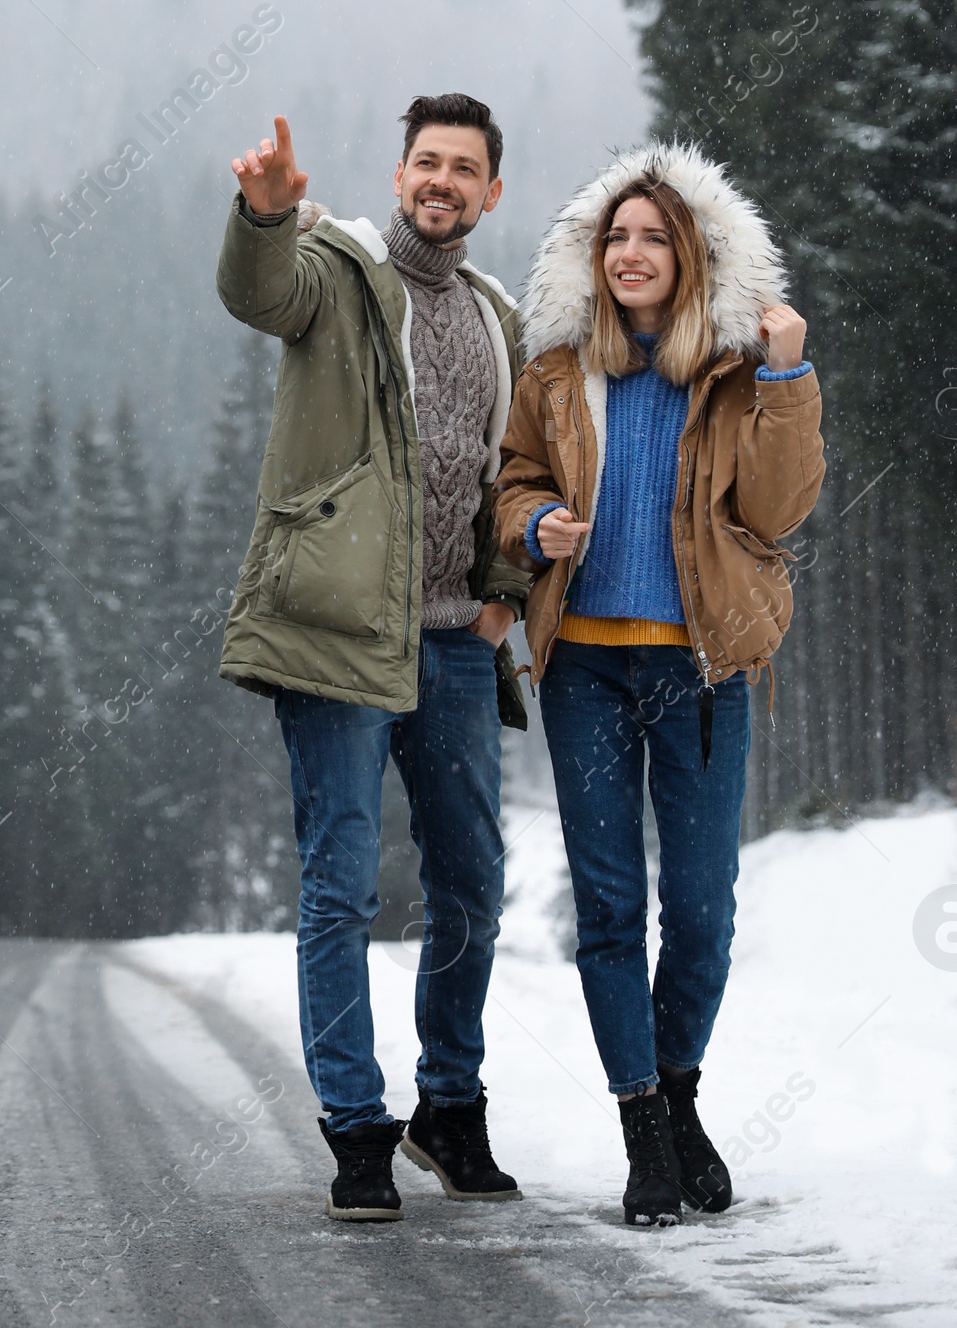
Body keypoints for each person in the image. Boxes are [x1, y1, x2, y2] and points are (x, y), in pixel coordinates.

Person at [495, 143, 824, 1227]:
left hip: (701, 668)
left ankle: (678, 1098)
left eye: (653, 238)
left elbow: (776, 515)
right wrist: (533, 524)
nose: (631, 253)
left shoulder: (736, 376)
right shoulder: (553, 372)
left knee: (701, 911)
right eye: (615, 237)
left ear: (692, 258)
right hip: (583, 664)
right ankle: (644, 1133)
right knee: (608, 907)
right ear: (593, 258)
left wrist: (786, 376)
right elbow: (516, 484)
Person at [218, 96, 530, 1222]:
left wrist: (504, 599)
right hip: (340, 640)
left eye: (464, 168)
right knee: (341, 887)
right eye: (425, 162)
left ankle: (449, 1106)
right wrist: (264, 217)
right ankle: (356, 1128)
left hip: (453, 647)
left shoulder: (498, 316)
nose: (441, 180)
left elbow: (521, 477)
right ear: (398, 175)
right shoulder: (338, 272)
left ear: (491, 193)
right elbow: (261, 293)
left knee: (472, 890)